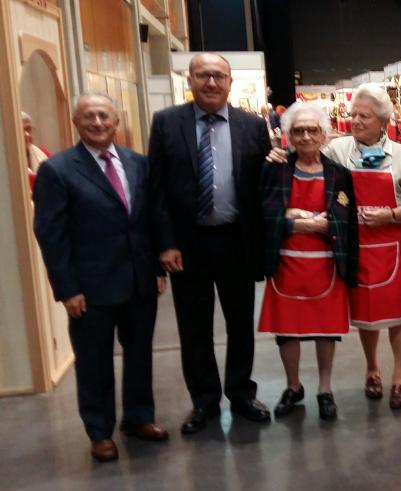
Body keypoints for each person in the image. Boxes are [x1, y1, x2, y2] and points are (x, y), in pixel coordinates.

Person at [32, 93, 168, 462]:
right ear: (77, 122)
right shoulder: (58, 170)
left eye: (103, 116)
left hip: (139, 280)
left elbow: (151, 220)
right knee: (94, 361)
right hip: (90, 287)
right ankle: (99, 431)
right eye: (88, 116)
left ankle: (139, 417)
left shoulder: (138, 164)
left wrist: (157, 268)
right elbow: (51, 234)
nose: (96, 122)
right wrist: (67, 289)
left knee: (140, 353)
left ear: (116, 121)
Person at [267, 84, 401, 410]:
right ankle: (372, 369)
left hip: (395, 246)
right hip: (355, 246)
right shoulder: (339, 152)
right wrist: (280, 154)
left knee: (398, 315)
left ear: (383, 120)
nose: (355, 121)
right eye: (353, 114)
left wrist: (392, 214)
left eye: (363, 116)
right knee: (366, 314)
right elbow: (307, 160)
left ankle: (400, 376)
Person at [148, 52, 273, 434]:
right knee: (194, 327)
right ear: (190, 79)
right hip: (188, 246)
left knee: (240, 323)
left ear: (230, 82)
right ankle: (204, 401)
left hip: (237, 241)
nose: (212, 83)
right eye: (204, 75)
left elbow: (263, 187)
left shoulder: (252, 126)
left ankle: (240, 393)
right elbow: (156, 190)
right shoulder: (167, 123)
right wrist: (165, 244)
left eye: (219, 76)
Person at [258, 102, 358, 420]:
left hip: (326, 266)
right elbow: (263, 215)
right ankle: (293, 386)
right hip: (285, 266)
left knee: (326, 330)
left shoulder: (339, 174)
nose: (305, 136)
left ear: (324, 135)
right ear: (288, 136)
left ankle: (325, 389)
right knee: (287, 331)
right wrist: (297, 222)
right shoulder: (274, 169)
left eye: (312, 130)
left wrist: (315, 221)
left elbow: (345, 219)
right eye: (298, 130)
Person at [22, 111, 51, 189]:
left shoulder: (44, 153)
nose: (27, 135)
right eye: (21, 130)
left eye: (28, 129)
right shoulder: (7, 162)